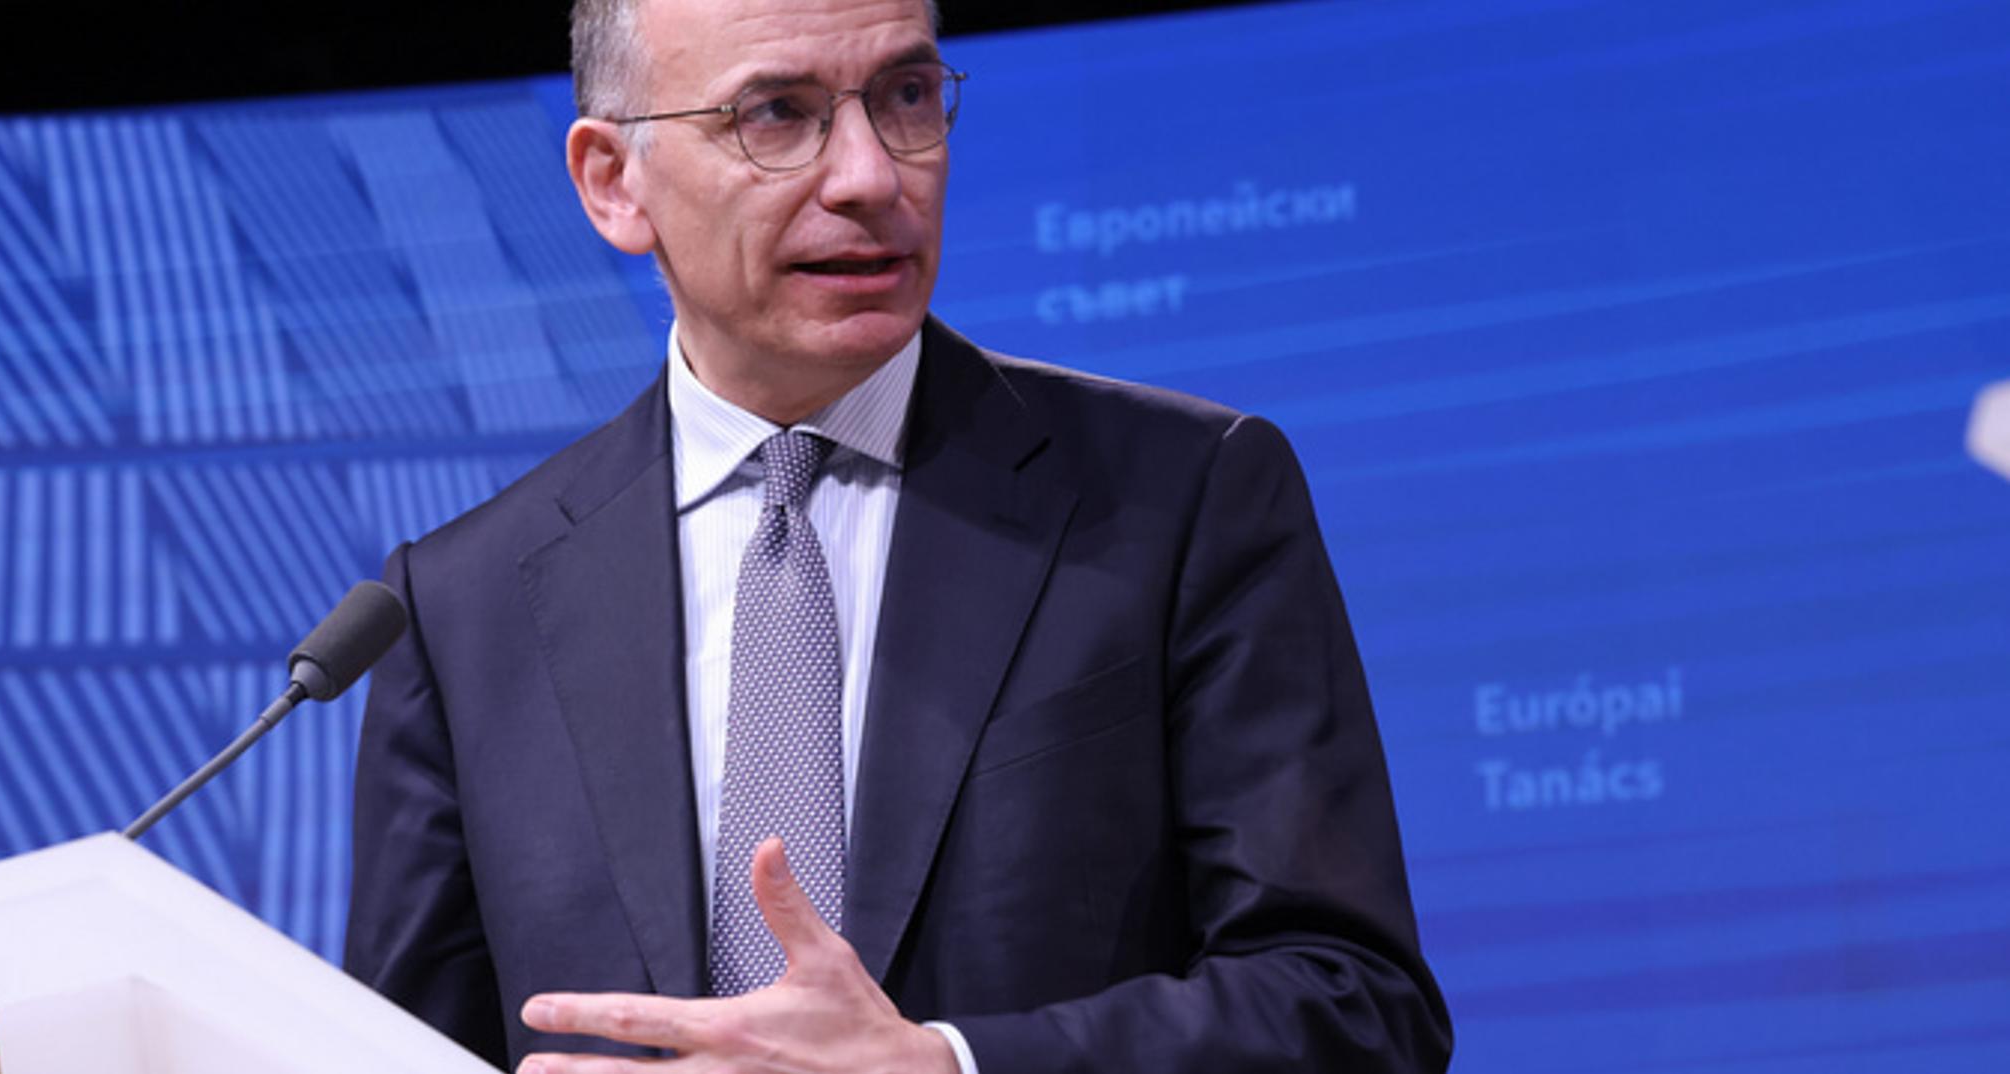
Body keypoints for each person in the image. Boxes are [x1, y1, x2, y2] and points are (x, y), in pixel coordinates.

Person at [343, 0, 1452, 1070]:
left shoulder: (1182, 498)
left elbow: (1353, 1006)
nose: (872, 176)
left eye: (907, 96)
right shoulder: (461, 608)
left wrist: (949, 1069)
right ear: (613, 181)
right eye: (776, 113)